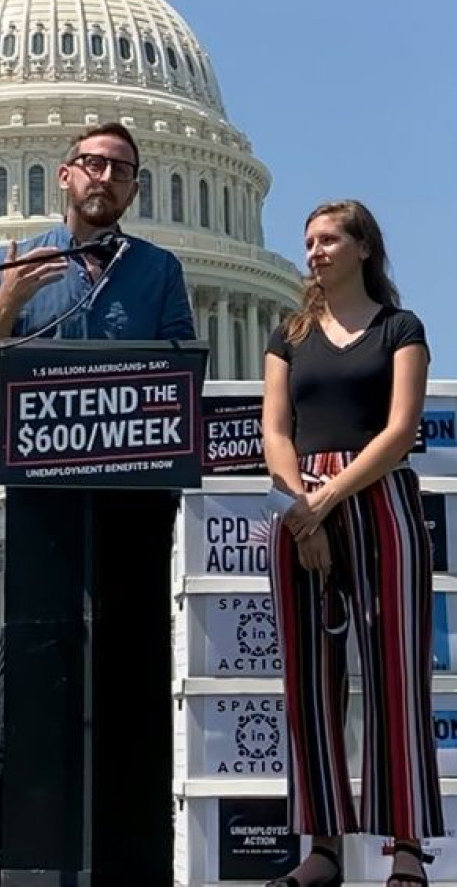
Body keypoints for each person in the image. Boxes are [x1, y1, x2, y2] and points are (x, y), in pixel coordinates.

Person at [0, 122, 195, 885]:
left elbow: (181, 373)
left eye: (122, 169)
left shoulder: (159, 271)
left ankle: (132, 842)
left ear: (134, 186)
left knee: (130, 661)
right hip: (41, 496)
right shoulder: (17, 261)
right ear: (65, 175)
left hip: (131, 498)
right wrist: (7, 305)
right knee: (23, 664)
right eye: (94, 164)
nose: (106, 178)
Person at [262, 200, 443, 887]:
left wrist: (326, 502)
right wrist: (302, 511)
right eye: (308, 241)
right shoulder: (289, 333)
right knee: (310, 680)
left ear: (364, 247)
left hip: (379, 500)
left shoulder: (401, 327)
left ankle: (405, 850)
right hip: (301, 499)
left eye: (329, 238)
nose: (315, 251)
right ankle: (324, 849)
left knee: (395, 675)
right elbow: (275, 429)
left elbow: (400, 431)